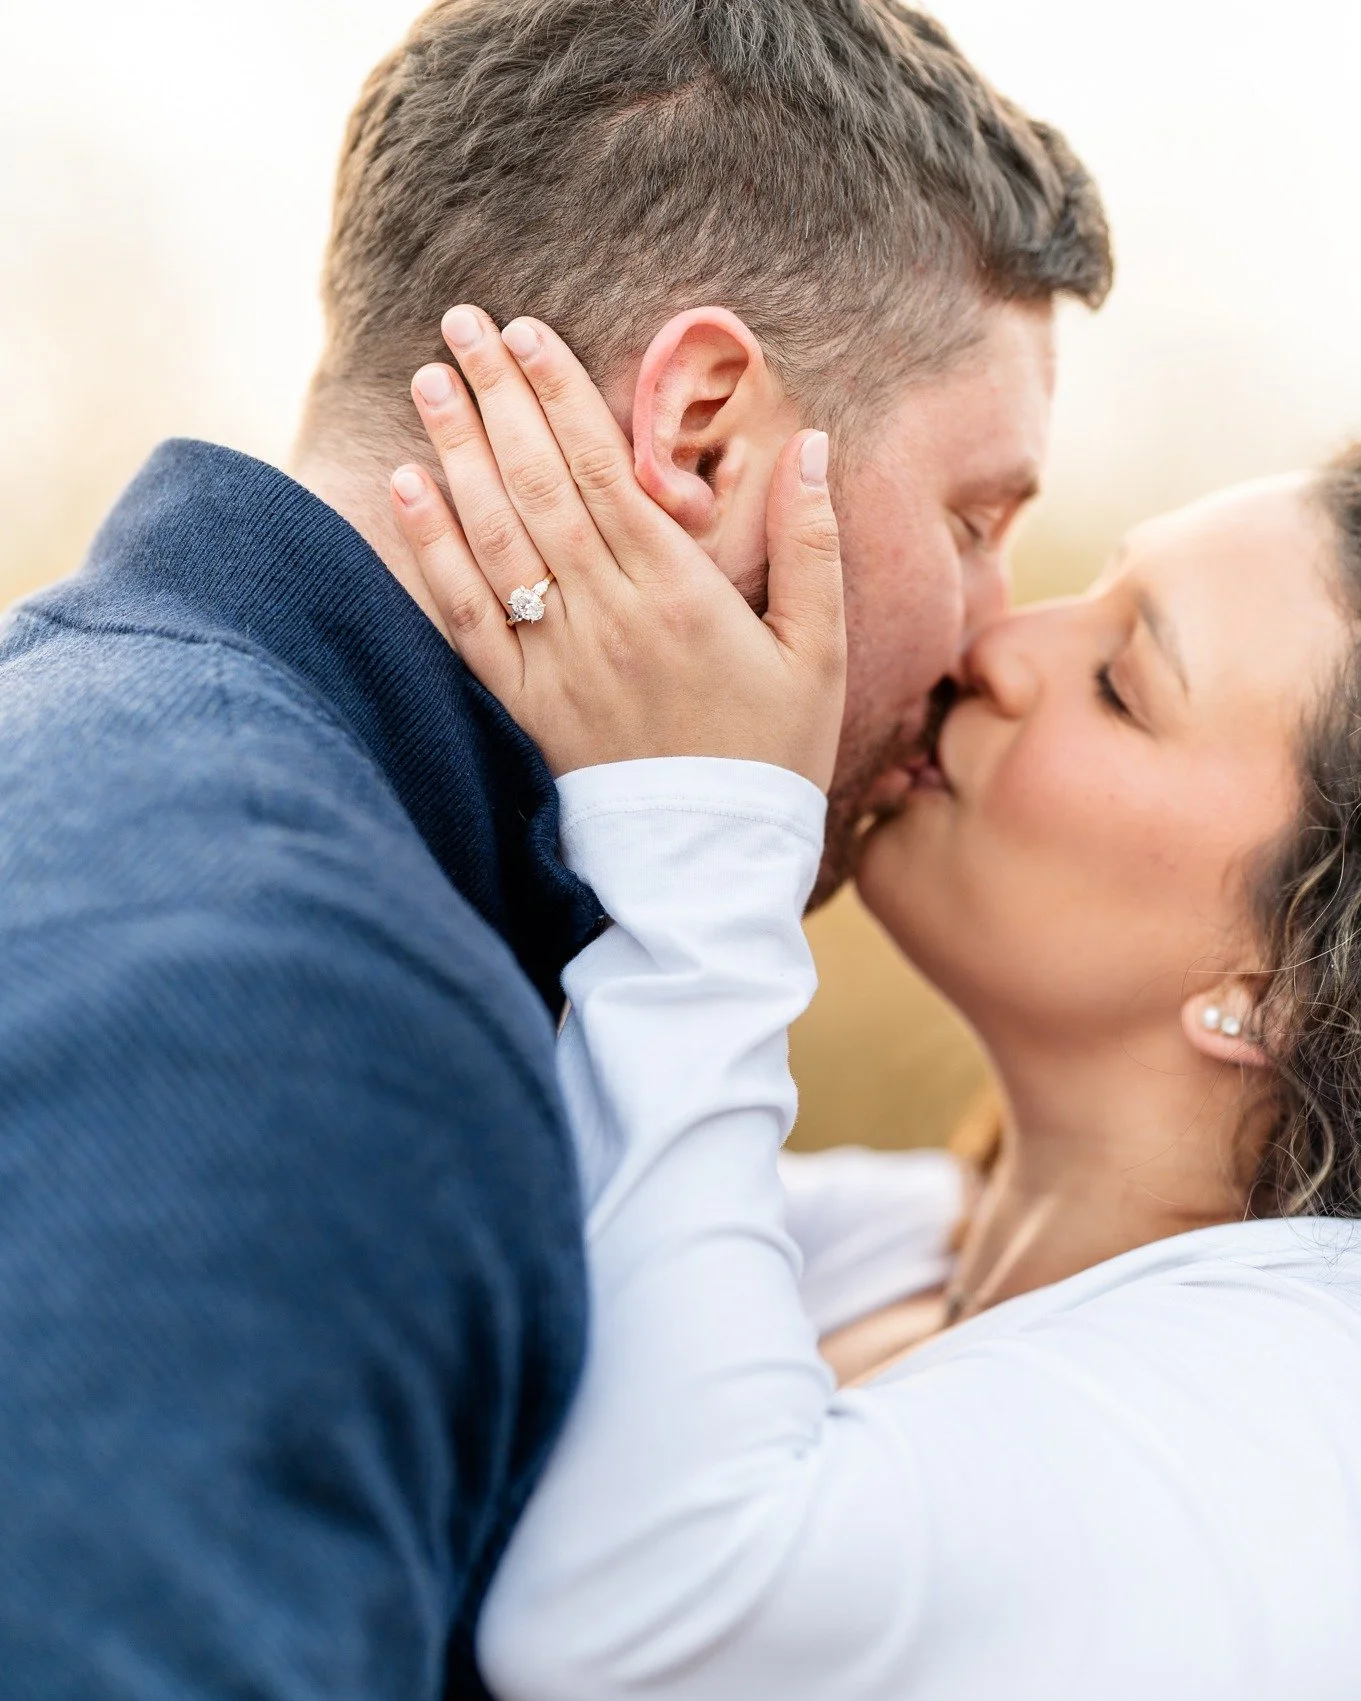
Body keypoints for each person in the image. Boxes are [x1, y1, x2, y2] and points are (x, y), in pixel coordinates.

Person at [0, 3, 1111, 1696]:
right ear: (702, 437)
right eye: (974, 520)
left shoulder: (129, 776)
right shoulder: (286, 1016)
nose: (990, 637)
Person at [389, 314, 1361, 1699]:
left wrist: (701, 841)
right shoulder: (900, 1240)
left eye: (1120, 685)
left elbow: (640, 1607)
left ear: (1280, 996)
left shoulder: (1292, 1414)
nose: (996, 644)